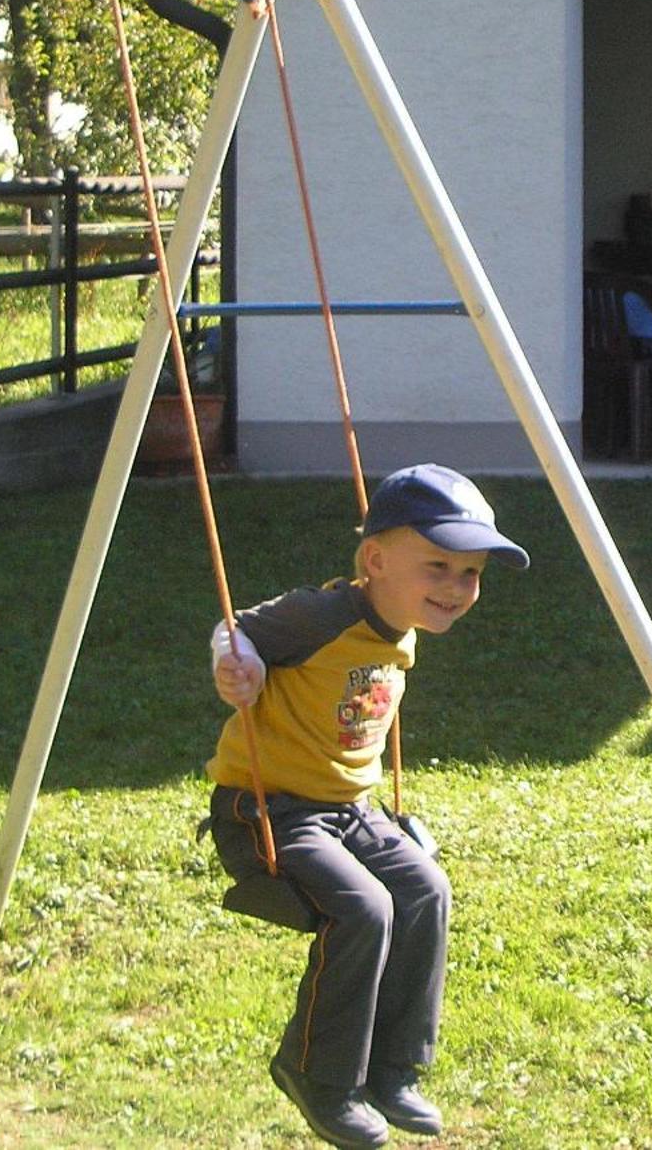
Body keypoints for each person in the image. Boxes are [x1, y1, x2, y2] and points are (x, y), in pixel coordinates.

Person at [203, 464, 529, 1148]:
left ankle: (393, 1071)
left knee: (425, 891)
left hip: (351, 809)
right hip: (270, 812)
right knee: (365, 908)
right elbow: (237, 629)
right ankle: (315, 1075)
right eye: (437, 566)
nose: (455, 588)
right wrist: (243, 668)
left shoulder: (400, 621)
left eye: (469, 574)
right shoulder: (321, 614)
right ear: (376, 561)